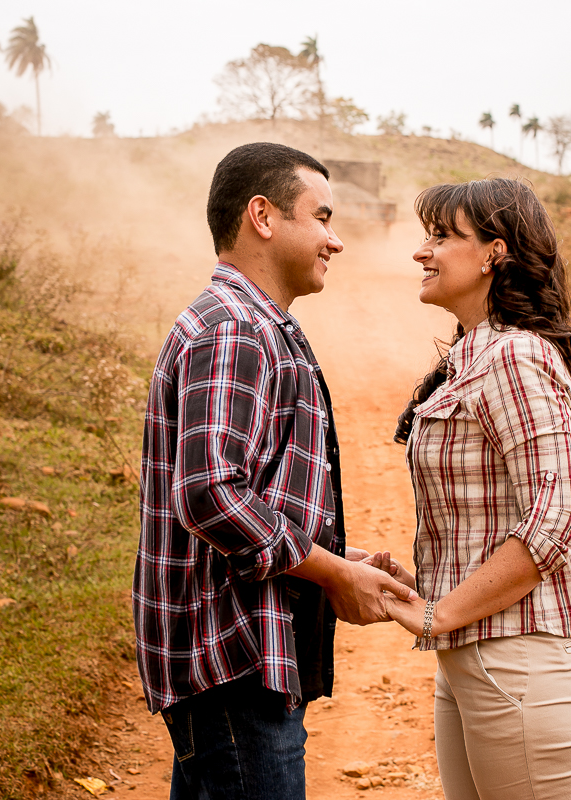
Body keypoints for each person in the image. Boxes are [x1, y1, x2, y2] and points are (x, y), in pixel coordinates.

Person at [134, 142, 417, 800]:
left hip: (233, 666)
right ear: (263, 216)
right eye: (321, 217)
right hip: (234, 667)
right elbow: (209, 494)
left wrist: (344, 559)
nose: (336, 240)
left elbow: (250, 495)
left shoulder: (253, 323)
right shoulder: (235, 328)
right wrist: (333, 572)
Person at [378, 177, 571, 800]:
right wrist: (419, 585)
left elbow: (554, 520)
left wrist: (438, 613)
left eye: (442, 236)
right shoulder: (472, 357)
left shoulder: (516, 357)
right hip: (479, 657)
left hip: (522, 660)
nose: (423, 252)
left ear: (494, 253)